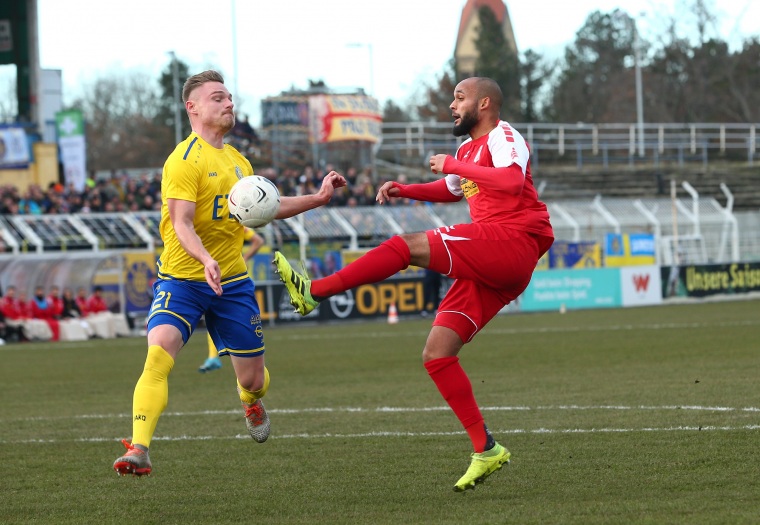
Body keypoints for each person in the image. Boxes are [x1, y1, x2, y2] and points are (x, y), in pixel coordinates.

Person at [274, 77, 554, 492]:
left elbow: (512, 182)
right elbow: (452, 188)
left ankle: (315, 291)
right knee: (438, 353)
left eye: (460, 98)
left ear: (485, 102)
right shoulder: (466, 150)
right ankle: (486, 449)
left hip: (512, 241)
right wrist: (406, 190)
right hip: (495, 257)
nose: (452, 106)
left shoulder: (503, 136)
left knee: (406, 246)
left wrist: (454, 166)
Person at [113, 70, 346, 477]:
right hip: (182, 280)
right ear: (193, 107)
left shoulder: (239, 162)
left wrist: (319, 198)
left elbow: (268, 206)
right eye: (218, 97)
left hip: (233, 282)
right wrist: (204, 259)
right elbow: (181, 223)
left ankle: (249, 400)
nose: (229, 104)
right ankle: (139, 448)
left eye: (230, 98)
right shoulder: (183, 161)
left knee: (254, 379)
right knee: (158, 354)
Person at [199, 227, 265, 373]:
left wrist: (245, 258)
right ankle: (214, 356)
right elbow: (258, 241)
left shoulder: (235, 221)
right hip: (223, 273)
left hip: (225, 275)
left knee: (216, 313)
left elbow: (258, 241)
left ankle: (215, 357)